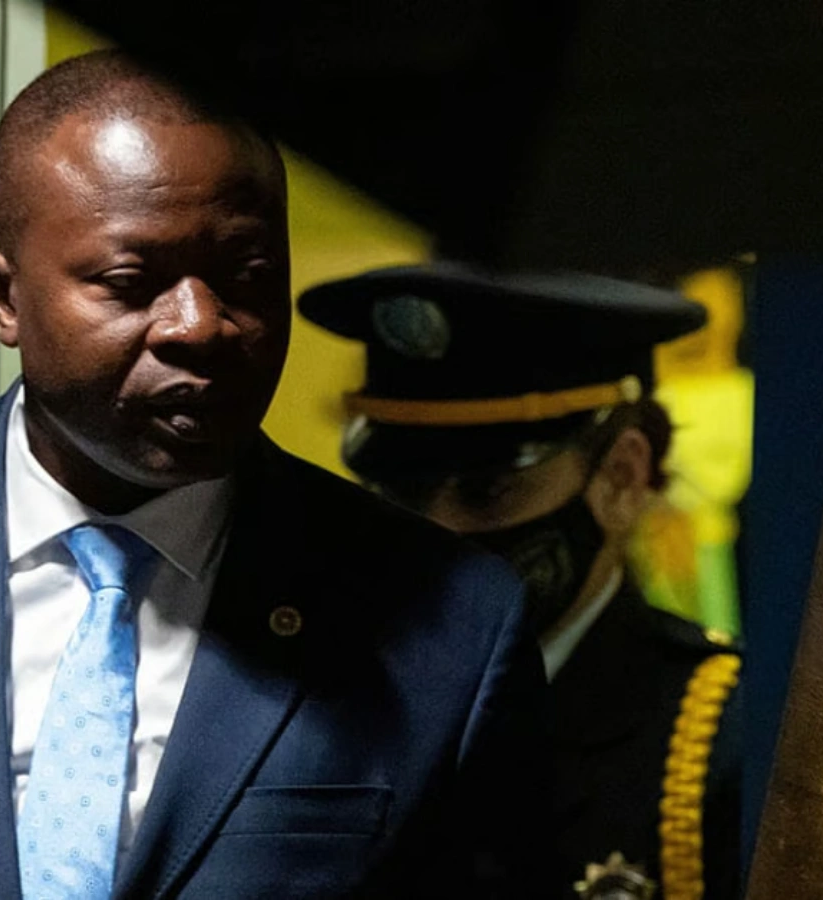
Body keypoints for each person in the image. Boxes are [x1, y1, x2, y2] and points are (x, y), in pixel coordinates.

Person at [0, 52, 554, 898]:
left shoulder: (449, 623)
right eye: (130, 280)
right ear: (3, 297)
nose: (199, 324)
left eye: (245, 274)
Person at [299, 262, 742, 900]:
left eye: (486, 493)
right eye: (403, 495)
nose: (436, 538)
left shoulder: (730, 746)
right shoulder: (327, 710)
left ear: (622, 478)